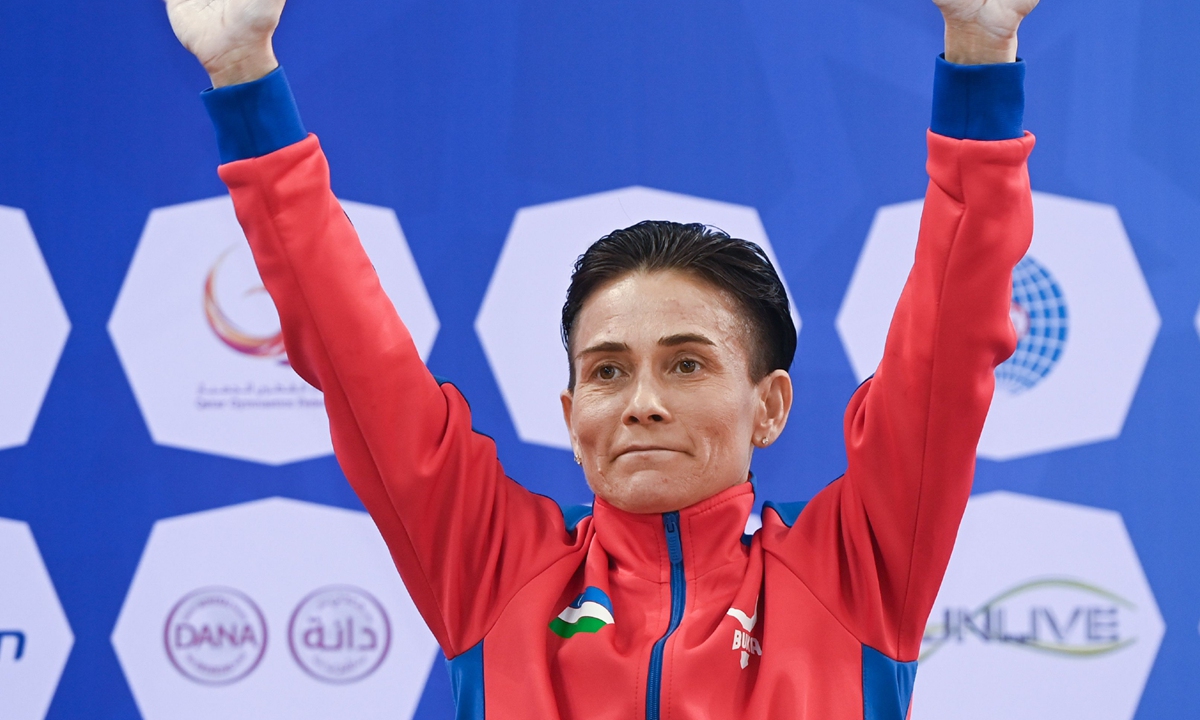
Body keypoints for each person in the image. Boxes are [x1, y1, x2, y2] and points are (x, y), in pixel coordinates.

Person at [165, 0, 1038, 717]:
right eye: (608, 370)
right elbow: (355, 355)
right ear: (570, 414)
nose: (642, 403)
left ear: (770, 405)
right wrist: (246, 79)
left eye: (688, 364)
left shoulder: (853, 568)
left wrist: (980, 52)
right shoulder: (497, 570)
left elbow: (948, 337)